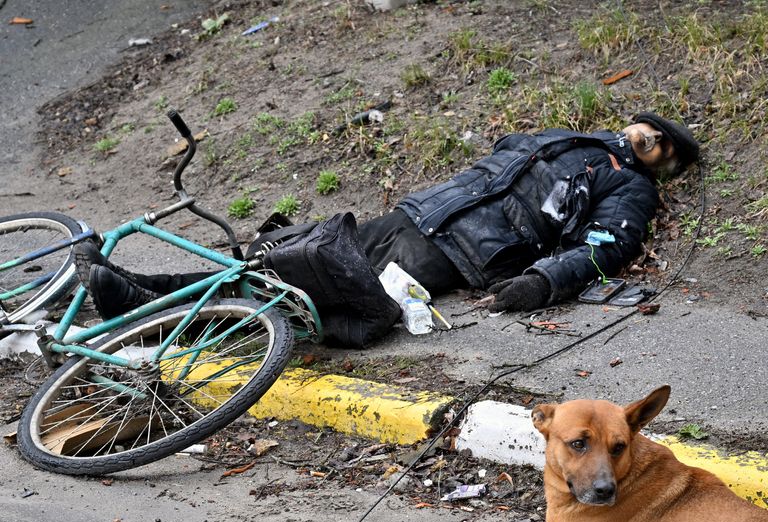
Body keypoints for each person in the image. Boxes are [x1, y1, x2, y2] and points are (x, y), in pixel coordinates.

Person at [78, 111, 699, 323]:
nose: (650, 137)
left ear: (663, 165)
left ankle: (144, 309)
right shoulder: (576, 139)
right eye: (649, 130)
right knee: (279, 263)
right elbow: (504, 155)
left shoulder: (630, 189)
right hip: (414, 216)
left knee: (311, 298)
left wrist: (541, 282)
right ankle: (137, 295)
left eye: (662, 145)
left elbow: (603, 248)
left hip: (454, 253)